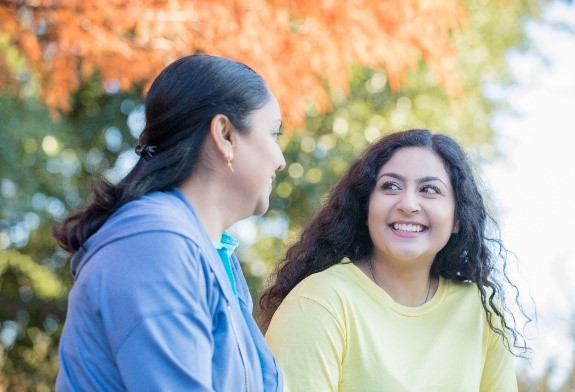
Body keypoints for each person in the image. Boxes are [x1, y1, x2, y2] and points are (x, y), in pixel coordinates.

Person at [52, 54, 285, 391]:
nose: (279, 161)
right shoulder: (153, 245)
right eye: (273, 134)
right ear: (225, 135)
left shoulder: (211, 257)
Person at [260, 129, 530, 391]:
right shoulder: (320, 301)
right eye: (390, 186)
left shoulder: (480, 311)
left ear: (458, 218)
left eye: (429, 190)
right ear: (366, 207)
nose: (408, 203)